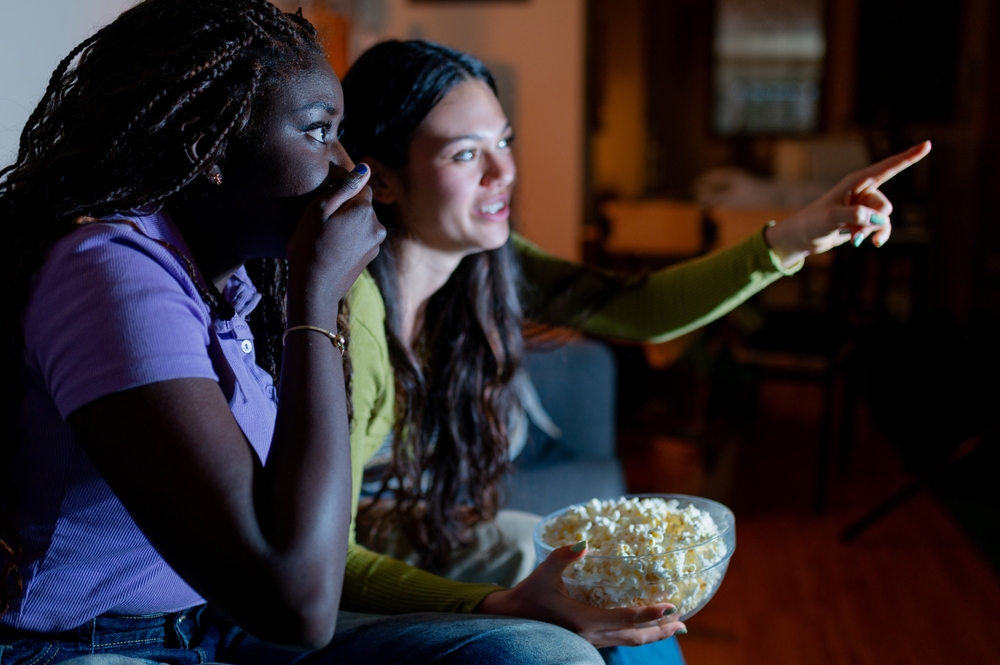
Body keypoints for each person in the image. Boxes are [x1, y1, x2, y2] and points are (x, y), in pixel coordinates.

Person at [0, 5, 655, 663]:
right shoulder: (109, 271)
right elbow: (299, 604)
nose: (346, 166)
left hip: (216, 627)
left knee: (541, 652)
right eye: (318, 132)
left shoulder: (233, 284)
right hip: (79, 645)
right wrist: (317, 302)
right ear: (206, 148)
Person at [334, 39, 932, 664]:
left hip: (409, 524)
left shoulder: (484, 259)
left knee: (603, 579)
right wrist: (498, 606)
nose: (502, 171)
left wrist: (798, 235)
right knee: (573, 603)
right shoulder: (358, 315)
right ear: (383, 180)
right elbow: (326, 558)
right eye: (465, 153)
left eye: (504, 141)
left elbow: (637, 309)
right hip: (345, 567)